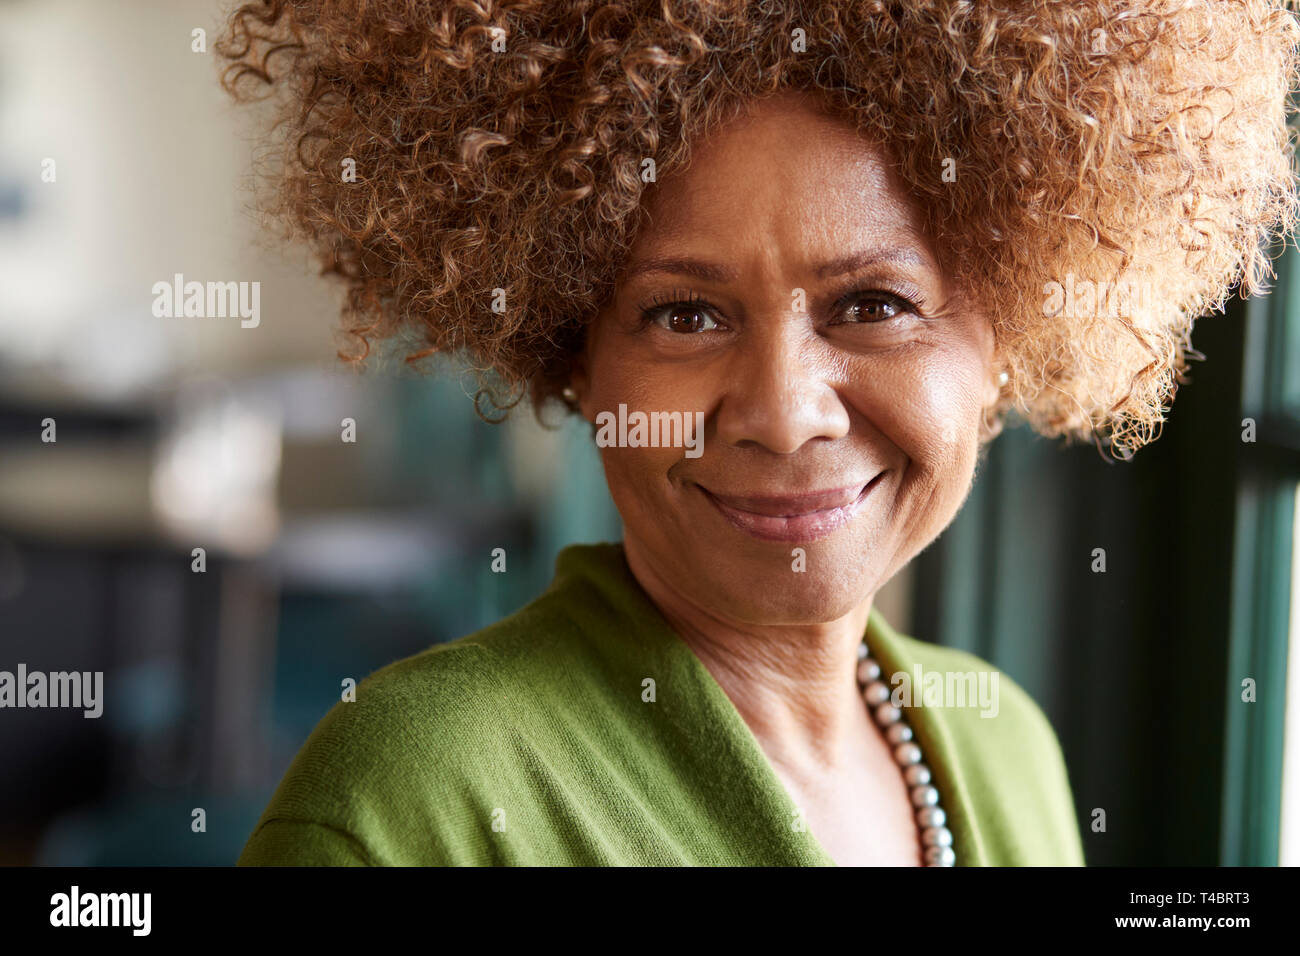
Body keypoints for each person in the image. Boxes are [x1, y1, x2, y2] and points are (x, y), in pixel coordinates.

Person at [217, 0, 1299, 865]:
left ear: (1006, 338)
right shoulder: (412, 802)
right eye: (684, 314)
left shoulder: (1004, 746)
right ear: (573, 360)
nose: (785, 413)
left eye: (873, 304)